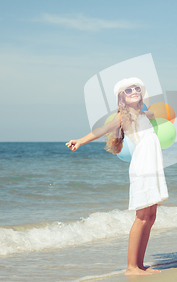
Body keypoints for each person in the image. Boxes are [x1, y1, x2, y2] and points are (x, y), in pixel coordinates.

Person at [66, 78, 168, 275]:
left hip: (153, 167)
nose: (134, 91)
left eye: (137, 88)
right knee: (141, 217)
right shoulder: (124, 116)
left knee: (151, 216)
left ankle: (140, 264)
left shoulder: (144, 114)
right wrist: (80, 141)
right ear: (121, 97)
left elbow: (157, 112)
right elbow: (101, 130)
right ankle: (131, 267)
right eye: (128, 90)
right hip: (143, 167)